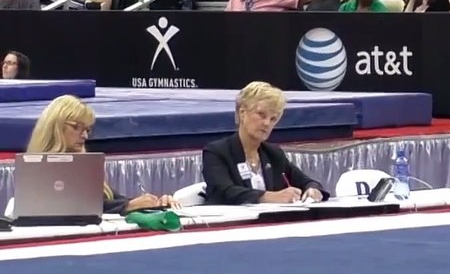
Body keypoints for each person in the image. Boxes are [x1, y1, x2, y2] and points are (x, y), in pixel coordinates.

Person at [26, 95, 174, 214]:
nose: (85, 136)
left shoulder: (86, 166)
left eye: (87, 130)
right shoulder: (40, 171)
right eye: (77, 127)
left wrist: (155, 203)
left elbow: (113, 201)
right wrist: (127, 206)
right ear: (56, 127)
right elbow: (75, 208)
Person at [201, 81, 329, 205]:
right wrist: (269, 197)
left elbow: (307, 182)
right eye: (261, 115)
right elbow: (223, 192)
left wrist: (313, 190)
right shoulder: (216, 152)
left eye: (273, 119)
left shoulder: (273, 154)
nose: (267, 123)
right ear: (242, 113)